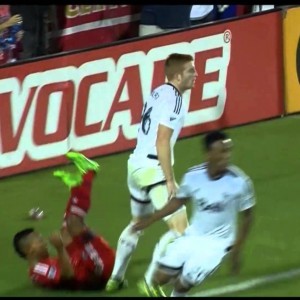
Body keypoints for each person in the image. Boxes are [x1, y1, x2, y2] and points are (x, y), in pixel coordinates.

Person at [105, 53, 198, 292]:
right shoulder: (175, 100)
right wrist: (169, 180)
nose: (196, 75)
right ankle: (150, 283)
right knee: (182, 232)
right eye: (190, 71)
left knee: (138, 223)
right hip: (153, 171)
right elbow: (162, 140)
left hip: (134, 166)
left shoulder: (157, 92)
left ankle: (115, 279)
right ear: (177, 76)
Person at [133, 130, 256, 297]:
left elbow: (248, 216)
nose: (226, 156)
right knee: (158, 279)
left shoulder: (239, 182)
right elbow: (178, 201)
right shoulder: (193, 176)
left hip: (217, 245)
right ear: (208, 155)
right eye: (221, 152)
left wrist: (237, 249)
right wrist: (151, 220)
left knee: (183, 284)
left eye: (228, 151)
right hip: (192, 237)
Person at [13, 152, 115, 290]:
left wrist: (64, 245)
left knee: (66, 231)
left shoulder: (41, 264)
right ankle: (89, 173)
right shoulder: (38, 269)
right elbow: (68, 275)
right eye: (38, 240)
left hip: (88, 266)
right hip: (99, 272)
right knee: (73, 224)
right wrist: (60, 248)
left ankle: (75, 188)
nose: (43, 241)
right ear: (29, 250)